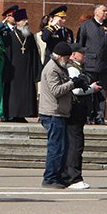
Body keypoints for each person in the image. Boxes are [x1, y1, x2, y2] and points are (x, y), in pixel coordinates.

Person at [38, 41, 81, 188]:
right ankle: (50, 178)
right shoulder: (52, 69)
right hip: (52, 113)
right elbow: (56, 90)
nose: (69, 60)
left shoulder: (60, 67)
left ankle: (58, 176)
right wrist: (73, 84)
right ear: (60, 56)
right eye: (67, 57)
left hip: (60, 112)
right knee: (56, 148)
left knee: (62, 147)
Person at [62, 43, 102, 189]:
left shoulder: (76, 68)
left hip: (77, 110)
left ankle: (70, 175)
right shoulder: (72, 68)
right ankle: (74, 177)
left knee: (74, 144)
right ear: (73, 55)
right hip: (75, 110)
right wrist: (92, 89)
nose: (84, 55)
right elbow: (76, 90)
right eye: (81, 53)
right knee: (75, 145)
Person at [77, 4, 107, 125]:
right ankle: (89, 115)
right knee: (89, 90)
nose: (106, 13)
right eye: (104, 11)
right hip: (89, 64)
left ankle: (100, 116)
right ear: (96, 12)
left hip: (105, 65)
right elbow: (80, 44)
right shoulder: (86, 26)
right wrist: (81, 60)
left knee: (102, 92)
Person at [0, 8, 40, 122]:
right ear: (17, 22)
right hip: (13, 69)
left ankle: (23, 114)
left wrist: (36, 71)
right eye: (23, 19)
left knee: (26, 92)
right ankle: (13, 114)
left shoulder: (30, 36)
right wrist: (7, 71)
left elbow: (34, 54)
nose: (26, 22)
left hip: (27, 69)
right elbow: (7, 54)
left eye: (26, 19)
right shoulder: (9, 36)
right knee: (13, 93)